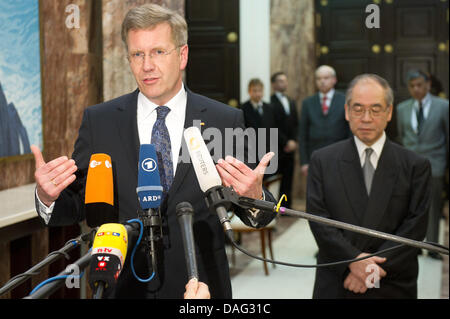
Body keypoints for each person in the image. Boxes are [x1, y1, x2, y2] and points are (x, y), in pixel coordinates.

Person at [31, 3, 276, 299]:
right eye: (137, 54)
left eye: (159, 52)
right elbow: (78, 206)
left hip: (200, 288)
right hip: (123, 288)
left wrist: (255, 198)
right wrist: (47, 196)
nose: (147, 65)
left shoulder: (223, 120)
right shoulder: (100, 121)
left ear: (182, 55)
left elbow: (254, 214)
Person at [307, 74, 431, 298]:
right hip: (338, 278)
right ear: (346, 111)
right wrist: (352, 263)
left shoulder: (415, 165)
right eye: (358, 109)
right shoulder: (322, 161)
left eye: (375, 109)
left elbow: (415, 227)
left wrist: (369, 271)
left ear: (389, 112)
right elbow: (318, 220)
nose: (366, 118)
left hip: (391, 280)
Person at [396, 70, 449, 260]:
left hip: (435, 165)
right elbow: (402, 137)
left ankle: (432, 247)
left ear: (427, 84)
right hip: (410, 166)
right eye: (412, 86)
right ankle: (414, 245)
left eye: (419, 85)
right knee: (410, 208)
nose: (416, 89)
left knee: (433, 208)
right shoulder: (402, 108)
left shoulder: (443, 106)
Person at [298, 65, 350, 177]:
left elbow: (350, 131)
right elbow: (302, 135)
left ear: (334, 80)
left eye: (326, 78)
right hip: (314, 158)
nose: (322, 81)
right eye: (319, 78)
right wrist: (304, 162)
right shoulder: (308, 103)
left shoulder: (345, 100)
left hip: (339, 157)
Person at [270, 72, 299, 208]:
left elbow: (295, 123)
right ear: (274, 84)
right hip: (278, 148)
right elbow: (272, 126)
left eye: (285, 81)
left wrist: (294, 141)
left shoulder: (291, 101)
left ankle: (287, 207)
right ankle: (275, 206)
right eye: (281, 81)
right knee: (277, 179)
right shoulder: (270, 103)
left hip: (291, 148)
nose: (284, 83)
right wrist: (285, 142)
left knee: (289, 178)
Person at [240, 78, 277, 176]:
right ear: (249, 91)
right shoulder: (243, 108)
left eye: (260, 91)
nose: (257, 94)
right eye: (254, 91)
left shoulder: (269, 108)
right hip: (252, 151)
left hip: (267, 150)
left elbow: (273, 128)